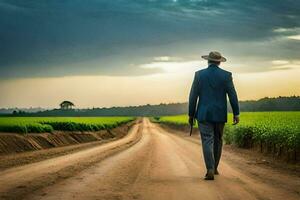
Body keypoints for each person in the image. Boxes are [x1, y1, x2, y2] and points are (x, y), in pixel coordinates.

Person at [188, 51, 240, 180]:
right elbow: (232, 95)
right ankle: (215, 167)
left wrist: (191, 114)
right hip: (220, 113)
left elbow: (193, 96)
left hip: (203, 114)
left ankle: (210, 169)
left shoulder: (199, 75)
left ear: (208, 61)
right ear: (219, 62)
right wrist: (236, 113)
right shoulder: (226, 75)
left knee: (207, 140)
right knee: (218, 140)